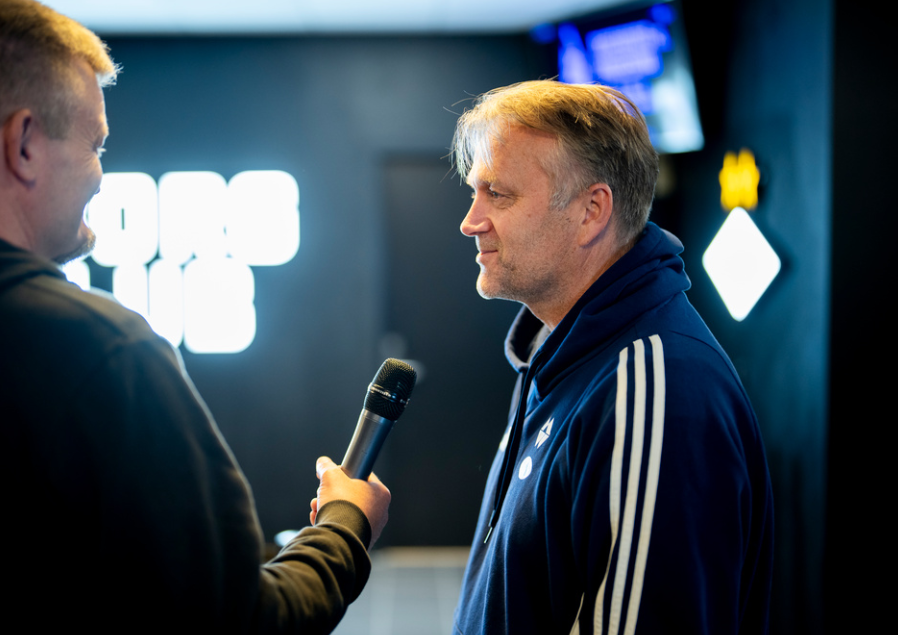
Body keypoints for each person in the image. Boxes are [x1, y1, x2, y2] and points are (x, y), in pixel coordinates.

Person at [0, 1, 389, 631]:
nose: (102, 177)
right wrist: (346, 526)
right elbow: (245, 621)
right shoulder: (105, 352)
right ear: (23, 144)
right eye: (96, 144)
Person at [451, 80, 773, 634]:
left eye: (498, 195)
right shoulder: (557, 352)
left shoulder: (656, 390)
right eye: (474, 192)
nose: (471, 221)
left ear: (591, 211)